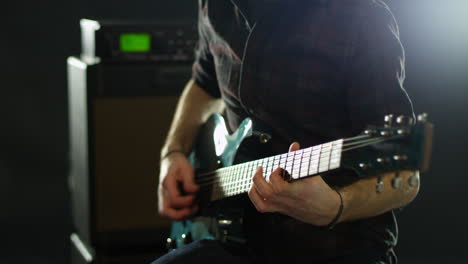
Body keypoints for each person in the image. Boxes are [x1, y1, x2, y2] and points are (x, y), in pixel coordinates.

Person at [154, 0, 419, 263]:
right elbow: (205, 83)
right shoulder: (215, 5)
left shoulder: (359, 17)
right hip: (230, 239)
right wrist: (173, 151)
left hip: (334, 249)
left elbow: (405, 176)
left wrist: (336, 206)